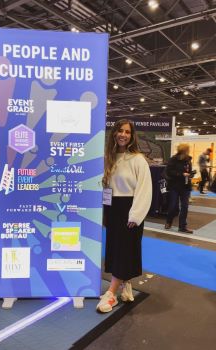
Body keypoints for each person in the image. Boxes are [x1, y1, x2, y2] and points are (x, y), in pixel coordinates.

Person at [97, 119, 152, 313]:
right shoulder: (109, 158)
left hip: (130, 210)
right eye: (120, 131)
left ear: (132, 136)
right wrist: (104, 212)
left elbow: (145, 190)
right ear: (114, 133)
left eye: (127, 132)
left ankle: (111, 293)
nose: (123, 134)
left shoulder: (138, 159)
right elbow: (105, 187)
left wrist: (135, 215)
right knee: (115, 250)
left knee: (124, 251)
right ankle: (125, 284)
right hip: (113, 209)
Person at [164, 144, 193, 234]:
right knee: (173, 206)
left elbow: (189, 171)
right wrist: (181, 174)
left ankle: (182, 226)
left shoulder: (188, 160)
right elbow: (169, 171)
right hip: (174, 186)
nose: (188, 151)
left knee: (185, 207)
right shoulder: (173, 159)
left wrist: (191, 174)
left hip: (186, 186)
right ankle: (169, 222)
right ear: (183, 151)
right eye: (187, 150)